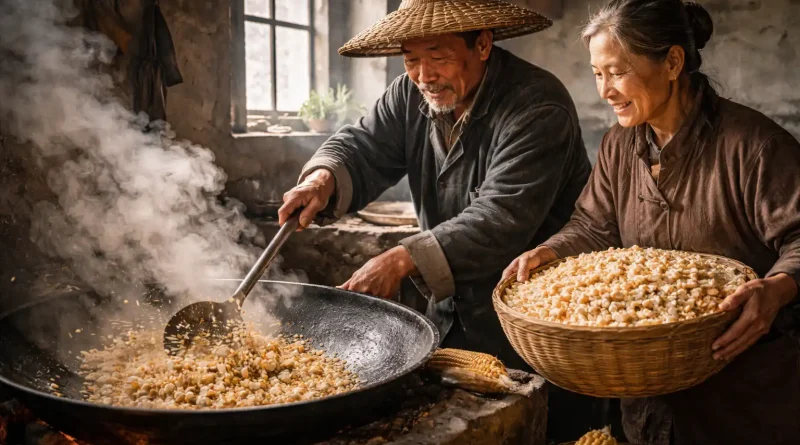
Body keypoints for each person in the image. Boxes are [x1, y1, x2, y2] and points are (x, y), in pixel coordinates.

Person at [503, 1, 800, 444]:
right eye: (597, 73)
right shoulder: (619, 145)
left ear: (673, 62)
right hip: (646, 400)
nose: (605, 90)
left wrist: (774, 290)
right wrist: (551, 250)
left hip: (739, 399)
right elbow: (594, 225)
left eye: (617, 71)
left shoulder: (754, 147)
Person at [278, 0, 591, 370]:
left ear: (483, 45)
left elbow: (501, 216)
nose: (424, 75)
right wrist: (322, 178)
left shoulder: (536, 106)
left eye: (438, 57)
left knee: (552, 422)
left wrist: (401, 259)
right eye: (411, 60)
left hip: (535, 324)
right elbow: (364, 145)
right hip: (451, 317)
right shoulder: (409, 95)